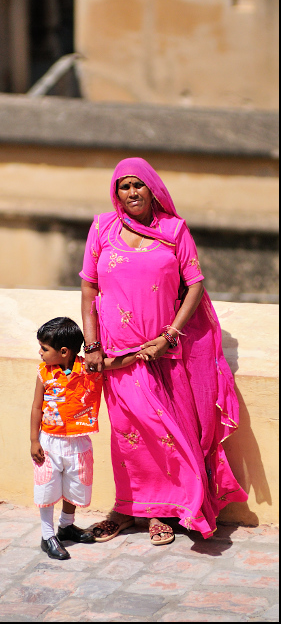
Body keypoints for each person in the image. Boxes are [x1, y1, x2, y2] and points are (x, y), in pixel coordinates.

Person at [80, 157, 248, 545]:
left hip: (165, 354)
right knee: (127, 435)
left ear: (153, 190)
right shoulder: (102, 227)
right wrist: (92, 345)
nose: (132, 192)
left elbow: (195, 285)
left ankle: (167, 512)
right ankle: (126, 509)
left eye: (139, 185)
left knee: (168, 435)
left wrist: (170, 335)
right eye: (124, 186)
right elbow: (89, 288)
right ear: (116, 192)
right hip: (118, 356)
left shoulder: (174, 230)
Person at [31, 316, 139, 560]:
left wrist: (143, 351)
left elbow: (115, 363)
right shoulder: (44, 373)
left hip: (79, 441)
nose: (40, 353)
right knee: (47, 490)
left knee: (74, 487)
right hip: (49, 442)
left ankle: (66, 526)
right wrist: (33, 441)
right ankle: (48, 535)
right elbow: (36, 407)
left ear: (64, 351)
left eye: (44, 348)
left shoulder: (89, 368)